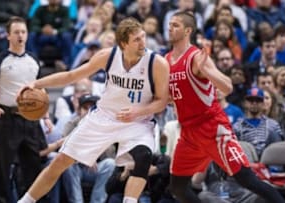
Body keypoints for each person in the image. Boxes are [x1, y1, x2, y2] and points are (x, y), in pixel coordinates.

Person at [17, 17, 170, 203]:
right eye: (136, 39)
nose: (142, 43)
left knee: (143, 158)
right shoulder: (108, 56)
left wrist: (137, 112)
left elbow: (162, 102)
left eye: (143, 37)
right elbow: (71, 75)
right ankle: (25, 201)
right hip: (104, 116)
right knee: (60, 161)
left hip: (137, 121)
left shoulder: (157, 63)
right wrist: (36, 83)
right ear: (123, 43)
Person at [165, 11, 285, 203]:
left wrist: (207, 71)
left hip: (213, 128)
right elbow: (169, 97)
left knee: (247, 179)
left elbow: (227, 86)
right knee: (177, 188)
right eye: (169, 24)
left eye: (176, 25)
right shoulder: (166, 60)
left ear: (188, 30)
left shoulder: (196, 57)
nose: (170, 28)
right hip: (189, 132)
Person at [0, 16, 52, 203]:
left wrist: (46, 117)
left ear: (27, 35)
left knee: (34, 166)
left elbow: (41, 88)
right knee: (2, 168)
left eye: (23, 32)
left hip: (31, 119)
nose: (20, 35)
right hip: (7, 118)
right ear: (8, 36)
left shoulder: (34, 60)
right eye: (16, 32)